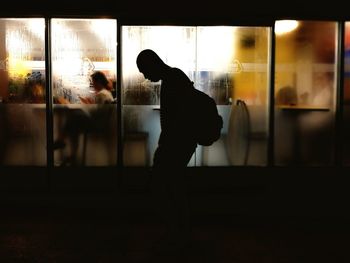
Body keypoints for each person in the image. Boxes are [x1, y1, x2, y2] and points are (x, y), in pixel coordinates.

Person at [136, 49, 197, 253]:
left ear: (153, 64)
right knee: (173, 186)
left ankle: (178, 233)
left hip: (177, 144)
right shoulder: (174, 77)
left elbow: (177, 119)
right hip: (179, 143)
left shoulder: (172, 79)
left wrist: (165, 145)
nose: (145, 76)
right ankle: (180, 232)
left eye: (144, 70)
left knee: (166, 187)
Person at [53, 71, 114, 166]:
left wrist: (87, 104)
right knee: (74, 125)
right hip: (99, 123)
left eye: (93, 82)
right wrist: (89, 103)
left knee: (74, 116)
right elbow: (99, 110)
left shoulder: (102, 94)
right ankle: (72, 155)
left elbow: (96, 113)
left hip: (97, 124)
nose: (92, 84)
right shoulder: (106, 93)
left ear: (98, 82)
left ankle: (63, 142)